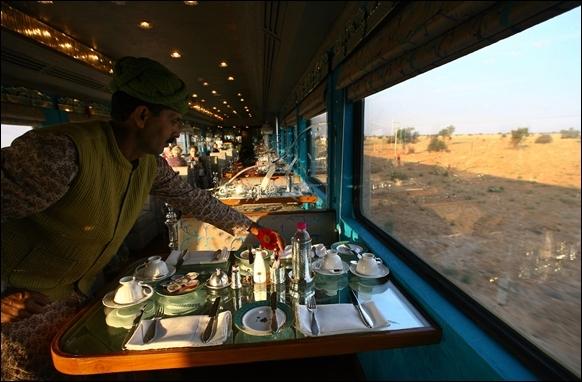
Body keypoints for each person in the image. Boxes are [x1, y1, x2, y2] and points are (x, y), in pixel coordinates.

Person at [0, 56, 284, 380]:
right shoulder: (62, 155)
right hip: (24, 316)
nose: (178, 133)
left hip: (86, 299)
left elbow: (196, 201)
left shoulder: (150, 165)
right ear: (142, 115)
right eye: (175, 121)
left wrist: (252, 229)